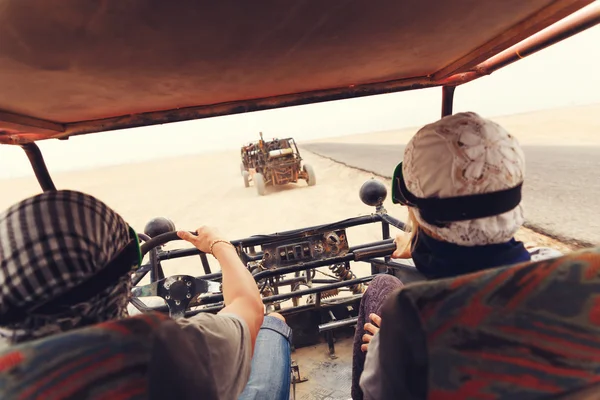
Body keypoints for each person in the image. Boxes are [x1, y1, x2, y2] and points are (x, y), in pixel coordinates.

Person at [0, 190, 291, 400]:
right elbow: (249, 306)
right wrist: (218, 244)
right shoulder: (156, 348)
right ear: (118, 281)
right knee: (271, 322)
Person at [351, 112, 562, 400]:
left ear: (418, 211)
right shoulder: (568, 274)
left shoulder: (406, 331)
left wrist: (384, 346)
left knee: (381, 286)